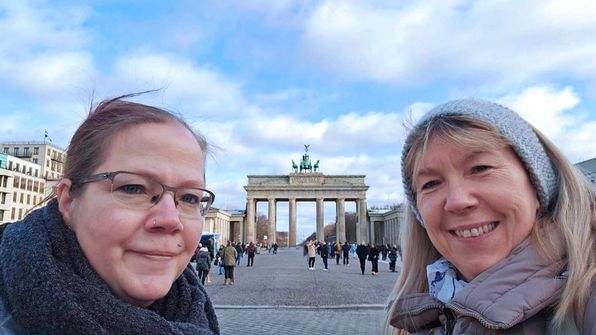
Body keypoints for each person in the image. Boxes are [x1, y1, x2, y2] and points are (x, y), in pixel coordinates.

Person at [0, 93, 219, 334]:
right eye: (133, 188)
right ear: (68, 200)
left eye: (189, 197)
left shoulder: (192, 311)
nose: (170, 219)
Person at [385, 99, 596, 334]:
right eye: (431, 183)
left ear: (537, 186)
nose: (457, 201)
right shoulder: (424, 315)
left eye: (480, 168)